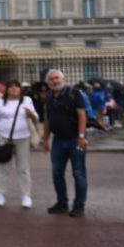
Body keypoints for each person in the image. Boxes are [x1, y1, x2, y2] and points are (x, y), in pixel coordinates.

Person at [0, 80, 38, 209]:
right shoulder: (0, 103)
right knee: (4, 167)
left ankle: (26, 195)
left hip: (23, 137)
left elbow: (36, 118)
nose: (13, 89)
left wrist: (31, 114)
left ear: (20, 89)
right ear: (6, 89)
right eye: (10, 87)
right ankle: (1, 194)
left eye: (16, 87)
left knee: (23, 168)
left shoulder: (27, 100)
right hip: (4, 137)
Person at [41, 69, 88, 217]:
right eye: (51, 79)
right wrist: (45, 139)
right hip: (58, 141)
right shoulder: (49, 97)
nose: (54, 81)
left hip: (75, 139)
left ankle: (79, 204)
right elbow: (48, 120)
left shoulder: (74, 93)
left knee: (79, 173)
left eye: (57, 78)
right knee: (57, 173)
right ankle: (62, 202)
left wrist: (81, 136)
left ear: (63, 79)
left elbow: (82, 115)